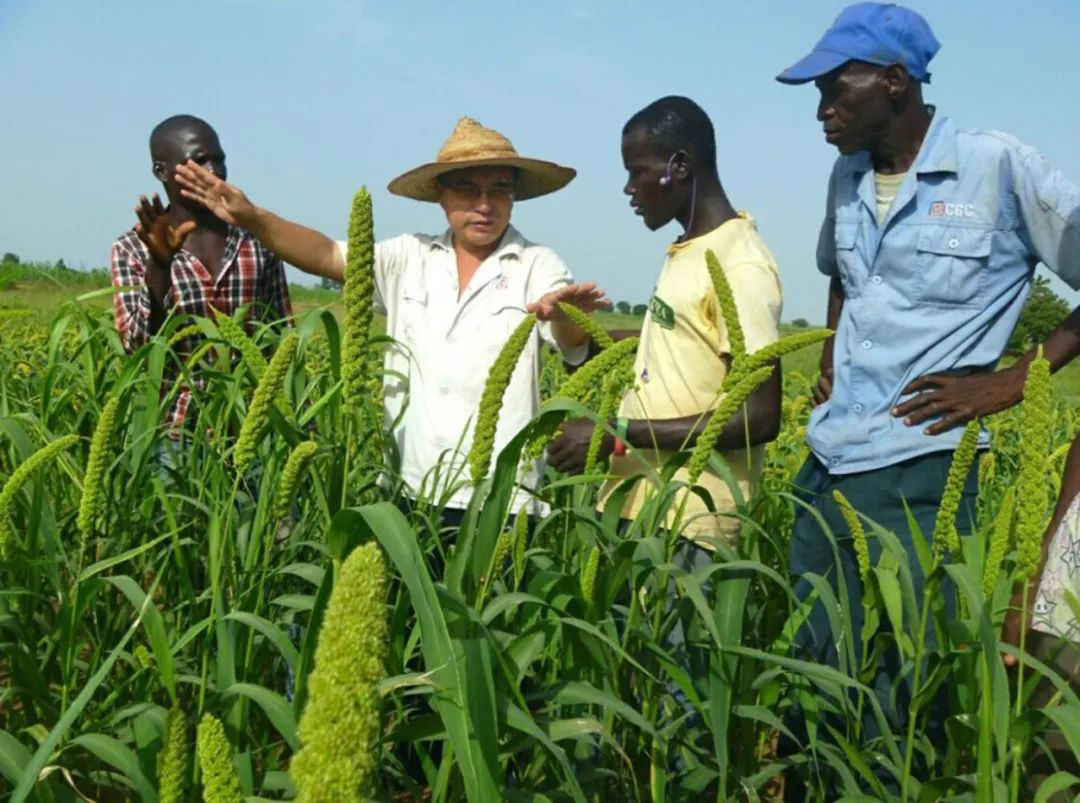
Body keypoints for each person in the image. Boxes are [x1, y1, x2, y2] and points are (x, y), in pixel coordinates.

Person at [775, 0, 1080, 769]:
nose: (823, 109)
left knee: (899, 688)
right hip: (828, 464)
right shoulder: (845, 178)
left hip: (921, 474)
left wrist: (1012, 380)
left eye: (835, 88)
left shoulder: (996, 167)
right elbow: (840, 276)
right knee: (813, 673)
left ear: (896, 83)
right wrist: (833, 360)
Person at [175, 116, 609, 521]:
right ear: (440, 195)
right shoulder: (408, 257)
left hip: (500, 499)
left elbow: (569, 338)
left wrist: (566, 313)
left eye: (500, 190)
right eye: (467, 189)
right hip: (408, 488)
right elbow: (328, 254)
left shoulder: (536, 264)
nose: (485, 205)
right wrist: (253, 217)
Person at [547, 95, 783, 547]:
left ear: (678, 166)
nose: (629, 188)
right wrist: (576, 328)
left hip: (689, 522)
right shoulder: (690, 249)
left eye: (636, 170)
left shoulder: (740, 262)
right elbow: (678, 344)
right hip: (637, 505)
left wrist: (614, 437)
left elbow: (760, 415)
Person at [110, 115, 292, 431]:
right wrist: (160, 265)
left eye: (219, 159)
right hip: (174, 434)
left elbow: (283, 338)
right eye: (199, 161)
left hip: (251, 431)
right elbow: (139, 348)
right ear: (161, 171)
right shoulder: (132, 249)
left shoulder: (259, 241)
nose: (215, 171)